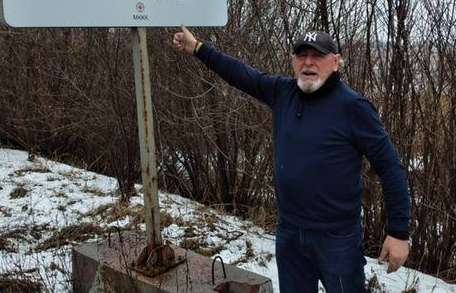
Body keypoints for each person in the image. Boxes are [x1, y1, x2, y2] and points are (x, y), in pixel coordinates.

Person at [172, 26, 410, 293]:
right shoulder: (282, 92)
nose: (308, 62)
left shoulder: (353, 107)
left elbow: (391, 168)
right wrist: (198, 48)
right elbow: (240, 74)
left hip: (337, 238)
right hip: (290, 231)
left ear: (335, 61)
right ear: (293, 61)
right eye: (301, 55)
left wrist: (399, 232)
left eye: (317, 55)